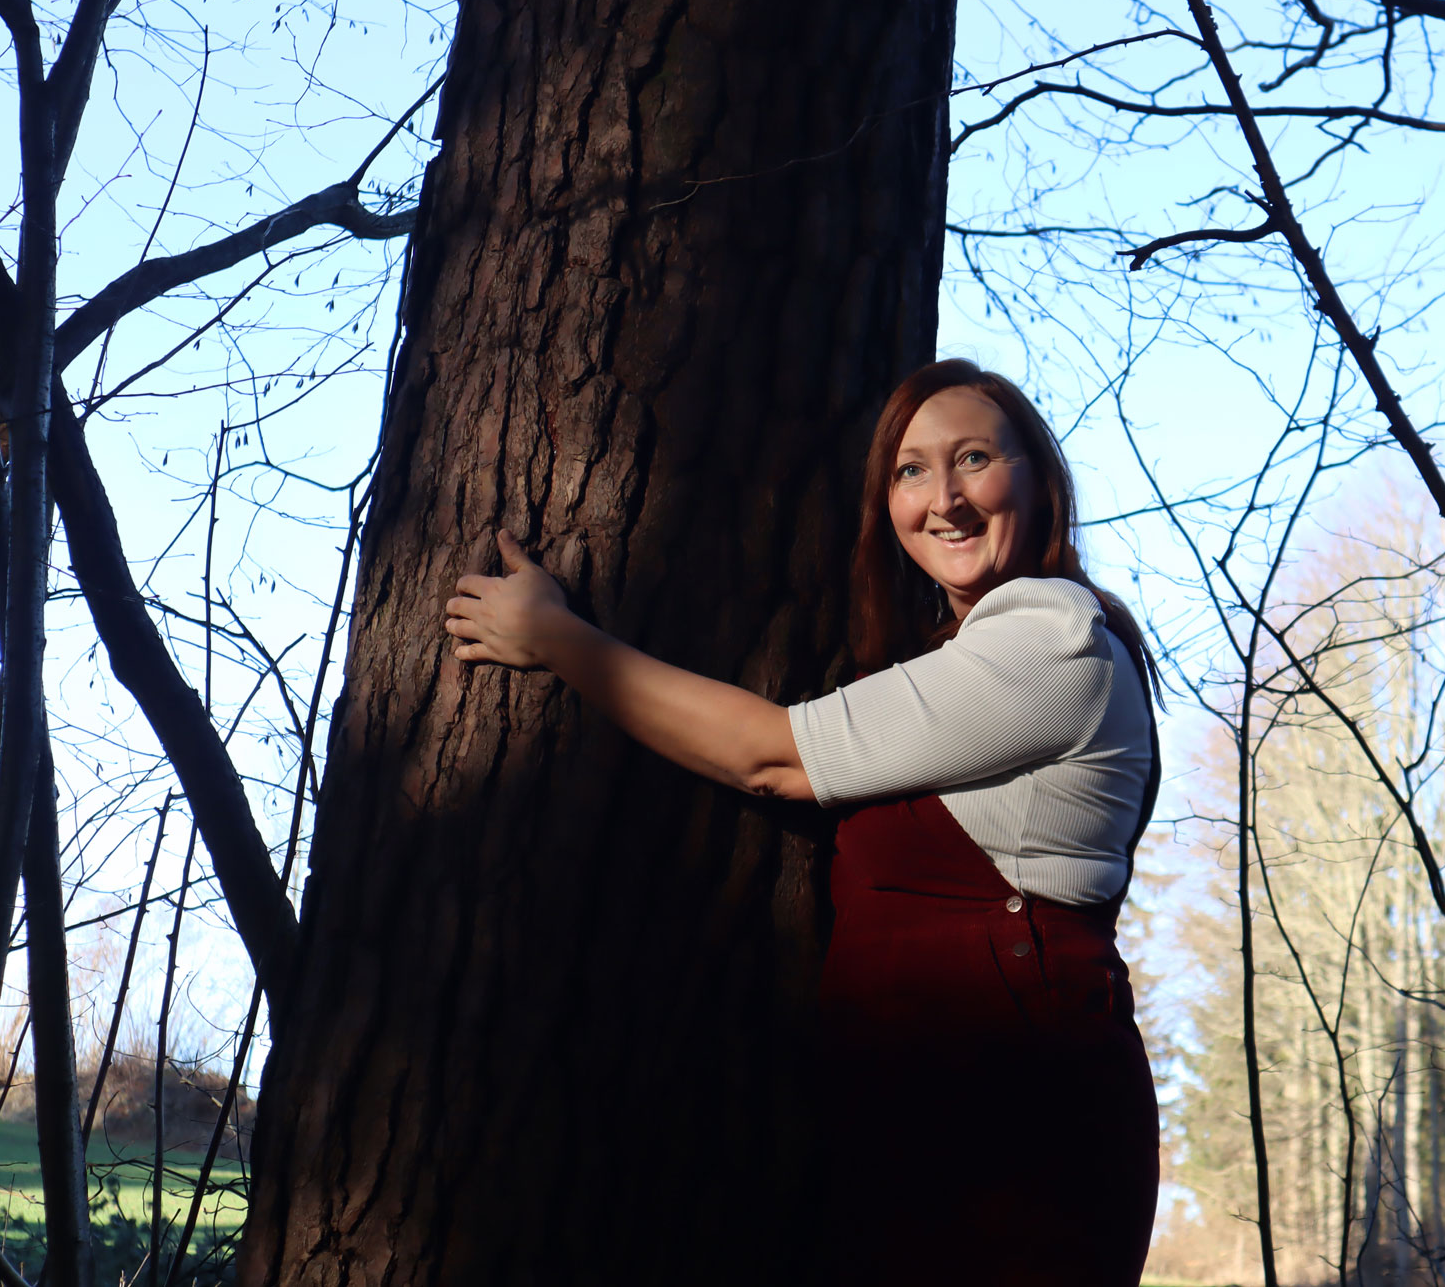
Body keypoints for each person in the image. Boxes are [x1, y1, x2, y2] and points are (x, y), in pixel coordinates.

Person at [441, 358, 1162, 1285]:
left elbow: (771, 755)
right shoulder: (966, 658)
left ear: (1040, 480)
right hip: (938, 1111)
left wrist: (557, 639)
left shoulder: (1050, 638)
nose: (944, 498)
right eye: (910, 470)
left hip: (1015, 1122)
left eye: (976, 458)